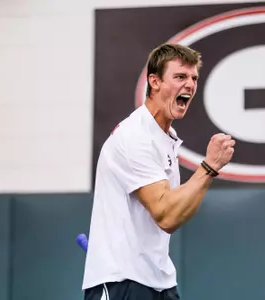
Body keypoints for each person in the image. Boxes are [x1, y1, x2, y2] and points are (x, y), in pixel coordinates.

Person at [82, 43, 235, 300]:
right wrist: (208, 168)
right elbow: (166, 215)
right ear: (154, 81)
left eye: (194, 78)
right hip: (122, 283)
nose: (190, 84)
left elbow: (174, 216)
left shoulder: (165, 138)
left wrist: (209, 171)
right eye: (180, 77)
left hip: (158, 282)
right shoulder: (135, 137)